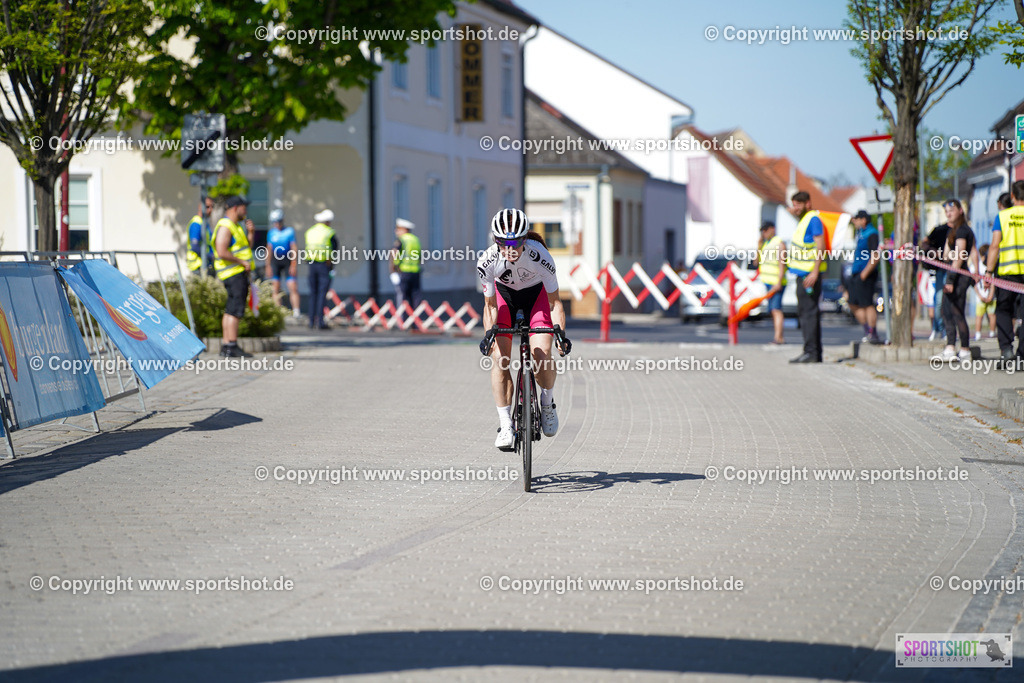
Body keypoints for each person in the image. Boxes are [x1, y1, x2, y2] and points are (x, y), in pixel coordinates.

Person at [478, 208, 567, 449]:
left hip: (536, 297)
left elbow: (555, 302)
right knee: (500, 360)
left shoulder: (541, 256)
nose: (510, 248)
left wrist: (560, 334)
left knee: (541, 356)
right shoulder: (487, 261)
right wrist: (490, 334)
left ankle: (547, 403)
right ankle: (505, 423)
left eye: (516, 242)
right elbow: (489, 306)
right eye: (503, 242)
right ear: (495, 241)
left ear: (524, 238)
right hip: (505, 298)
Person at [932, 199, 978, 362]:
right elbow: (946, 256)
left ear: (960, 211)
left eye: (951, 211)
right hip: (954, 273)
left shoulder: (963, 230)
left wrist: (950, 280)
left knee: (957, 312)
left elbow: (959, 257)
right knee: (947, 311)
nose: (948, 214)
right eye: (946, 212)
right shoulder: (955, 231)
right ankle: (951, 347)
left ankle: (964, 349)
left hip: (958, 276)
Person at [987, 181, 1024, 365]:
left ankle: (1007, 350)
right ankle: (1023, 354)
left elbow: (994, 246)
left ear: (1012, 196)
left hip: (1007, 273)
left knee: (1003, 310)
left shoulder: (1002, 217)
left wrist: (988, 272)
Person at [787, 190, 826, 363]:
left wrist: (815, 271)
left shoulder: (813, 220)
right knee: (806, 313)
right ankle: (813, 352)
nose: (795, 208)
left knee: (808, 314)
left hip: (809, 276)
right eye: (794, 205)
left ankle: (811, 352)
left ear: (807, 203)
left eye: (798, 205)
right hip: (804, 275)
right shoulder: (804, 220)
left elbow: (820, 246)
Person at [213, 195, 254, 358]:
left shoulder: (236, 226)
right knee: (235, 310)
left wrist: (251, 233)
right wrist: (241, 262)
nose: (246, 211)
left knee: (231, 310)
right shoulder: (226, 226)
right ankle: (232, 345)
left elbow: (246, 248)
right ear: (236, 208)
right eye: (244, 207)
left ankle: (227, 345)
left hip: (235, 273)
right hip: (233, 273)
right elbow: (222, 251)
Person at [848, 210, 882, 345]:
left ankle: (873, 333)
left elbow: (876, 255)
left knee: (867, 303)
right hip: (857, 273)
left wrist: (864, 273)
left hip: (866, 274)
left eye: (857, 219)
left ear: (863, 220)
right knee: (852, 302)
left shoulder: (872, 234)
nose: (855, 222)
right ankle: (866, 330)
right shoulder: (860, 233)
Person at [754, 220, 786, 344]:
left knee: (776, 309)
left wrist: (778, 282)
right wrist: (759, 246)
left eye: (766, 230)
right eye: (763, 231)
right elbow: (756, 263)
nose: (764, 233)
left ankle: (779, 338)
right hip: (768, 282)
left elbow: (781, 264)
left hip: (776, 282)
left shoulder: (779, 244)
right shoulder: (765, 244)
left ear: (772, 229)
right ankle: (777, 336)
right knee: (773, 310)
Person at [305, 209, 338, 330]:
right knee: (322, 293)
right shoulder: (329, 232)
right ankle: (320, 321)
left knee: (313, 293)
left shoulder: (310, 231)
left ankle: (311, 321)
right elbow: (334, 249)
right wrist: (331, 265)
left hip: (311, 264)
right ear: (327, 221)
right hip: (324, 265)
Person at [921, 214, 951, 341]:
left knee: (952, 303)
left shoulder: (963, 230)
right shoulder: (939, 230)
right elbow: (924, 243)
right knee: (938, 301)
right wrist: (934, 253)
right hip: (941, 270)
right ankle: (938, 328)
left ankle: (949, 331)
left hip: (956, 270)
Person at [266, 209, 300, 318]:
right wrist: (268, 266)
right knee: (275, 288)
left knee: (292, 286)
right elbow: (269, 249)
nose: (277, 224)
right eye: (275, 222)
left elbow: (294, 248)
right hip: (275, 261)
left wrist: (293, 264)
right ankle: (278, 311)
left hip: (287, 260)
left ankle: (296, 311)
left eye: (279, 221)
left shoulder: (289, 231)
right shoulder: (271, 233)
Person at [390, 218, 422, 316]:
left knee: (402, 296)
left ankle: (402, 320)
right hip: (415, 271)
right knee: (415, 297)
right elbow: (419, 256)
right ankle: (415, 321)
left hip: (403, 271)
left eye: (398, 229)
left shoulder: (401, 240)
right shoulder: (416, 239)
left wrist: (393, 271)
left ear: (404, 229)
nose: (396, 231)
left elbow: (394, 254)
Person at [974, 243, 996, 341]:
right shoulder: (992, 266)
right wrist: (991, 295)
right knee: (991, 315)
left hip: (981, 297)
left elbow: (974, 283)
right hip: (990, 296)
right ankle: (992, 333)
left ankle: (978, 334)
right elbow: (994, 282)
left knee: (979, 316)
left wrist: (979, 295)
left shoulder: (977, 266)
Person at [186, 198, 214, 275]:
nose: (210, 210)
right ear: (200, 207)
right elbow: (194, 247)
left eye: (212, 207)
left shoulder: (205, 223)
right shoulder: (197, 223)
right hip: (198, 266)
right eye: (207, 207)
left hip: (205, 265)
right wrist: (210, 256)